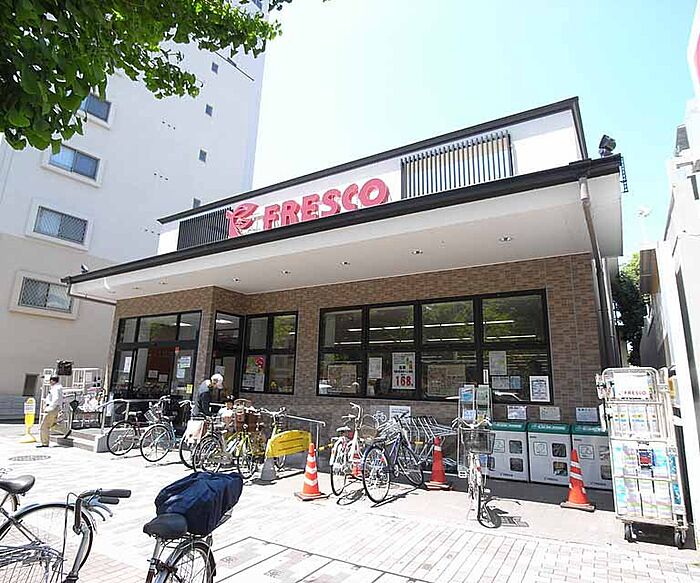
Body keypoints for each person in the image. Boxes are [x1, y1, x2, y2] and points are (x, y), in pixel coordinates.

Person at [38, 376, 63, 447]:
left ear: (53, 381)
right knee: (52, 424)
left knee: (44, 426)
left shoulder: (56, 388)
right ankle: (66, 431)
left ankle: (45, 443)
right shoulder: (57, 387)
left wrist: (49, 408)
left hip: (52, 409)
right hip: (55, 408)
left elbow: (55, 399)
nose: (49, 382)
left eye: (50, 381)